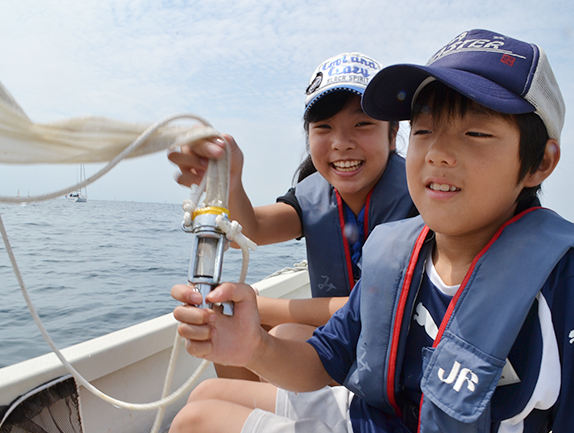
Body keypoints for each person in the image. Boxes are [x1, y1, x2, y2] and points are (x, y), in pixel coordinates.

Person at [169, 29, 573, 433]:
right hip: (376, 410)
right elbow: (319, 355)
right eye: (425, 130)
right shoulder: (397, 247)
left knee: (202, 416)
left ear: (539, 162)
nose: (437, 153)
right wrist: (254, 347)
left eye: (476, 133)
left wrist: (263, 309)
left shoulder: (560, 283)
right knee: (203, 403)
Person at [169, 53, 415, 380]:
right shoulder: (311, 194)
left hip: (397, 348)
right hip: (342, 340)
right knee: (224, 325)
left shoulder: (421, 197)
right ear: (308, 136)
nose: (341, 143)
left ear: (393, 131)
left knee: (283, 332)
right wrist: (229, 181)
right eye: (324, 127)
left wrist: (261, 304)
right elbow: (253, 229)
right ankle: (250, 410)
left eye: (363, 124)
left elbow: (376, 306)